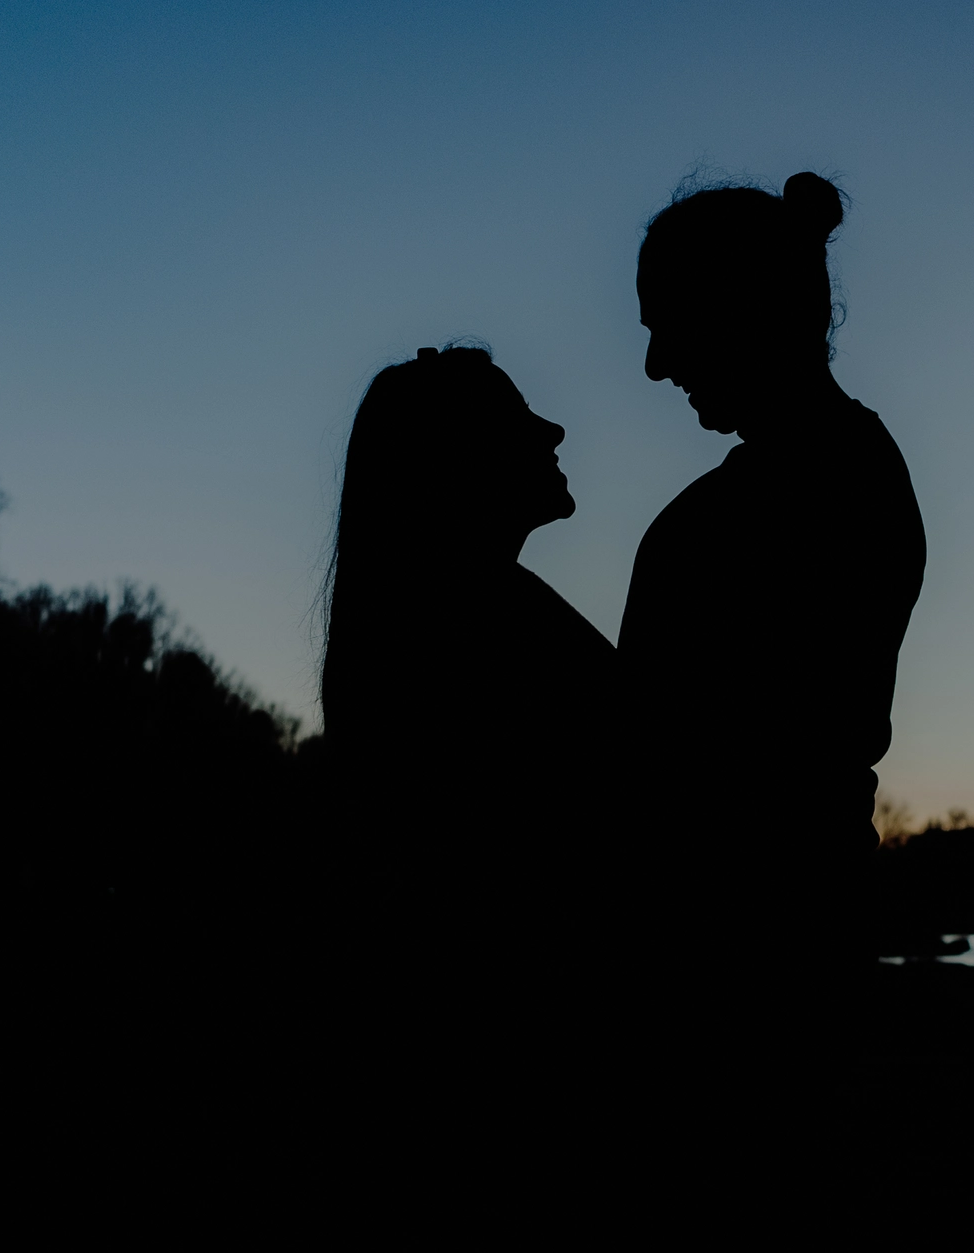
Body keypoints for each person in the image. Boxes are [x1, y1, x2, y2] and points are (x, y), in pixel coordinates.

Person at [619, 172, 926, 1203]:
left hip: (732, 956)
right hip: (800, 930)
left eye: (667, 326)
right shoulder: (853, 468)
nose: (655, 364)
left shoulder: (754, 508)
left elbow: (665, 762)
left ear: (743, 309)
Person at [318, 344, 617, 1219]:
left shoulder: (440, 620)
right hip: (515, 1096)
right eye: (519, 417)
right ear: (456, 461)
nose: (554, 428)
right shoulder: (480, 631)